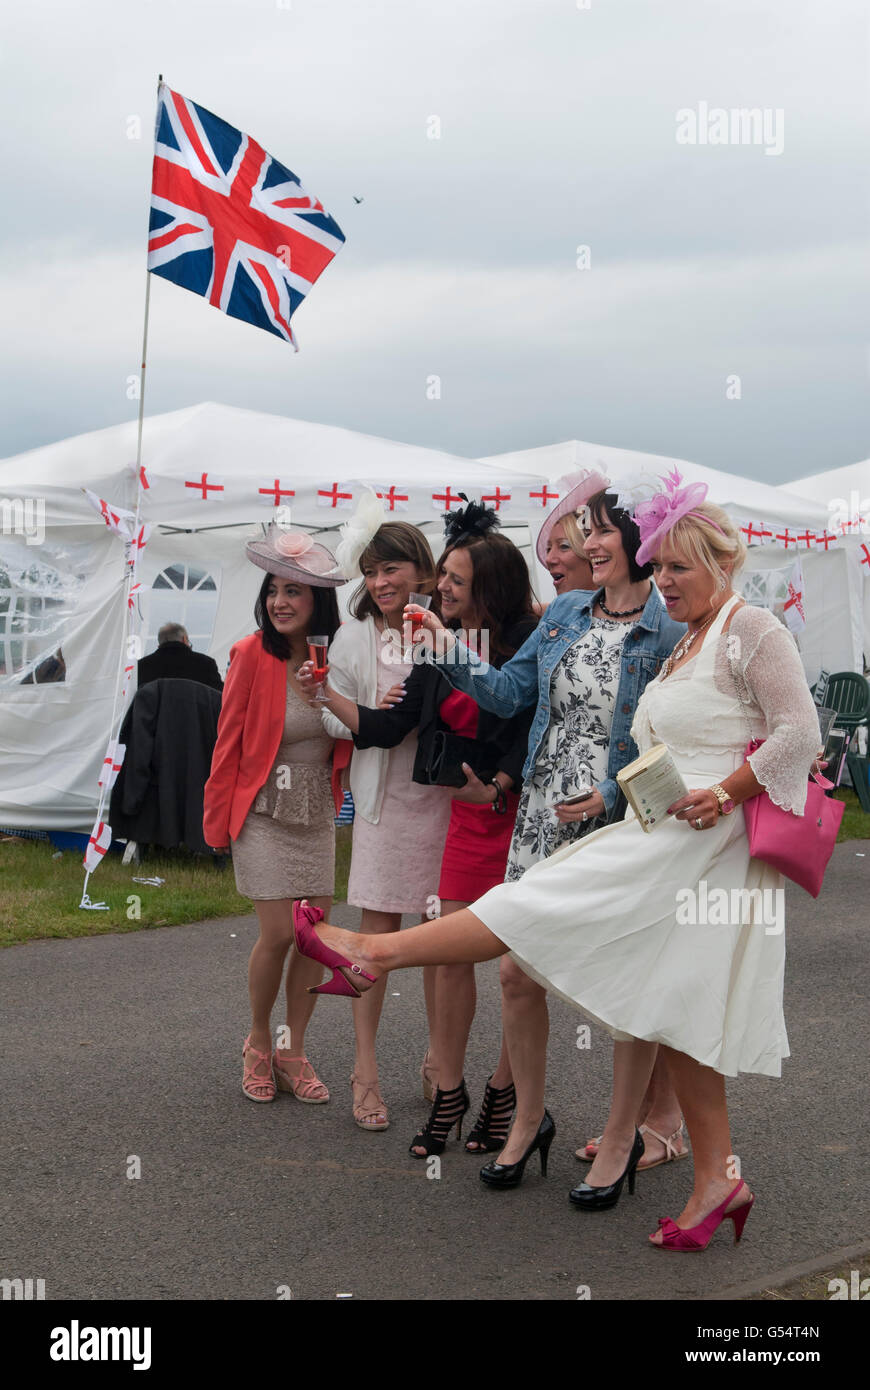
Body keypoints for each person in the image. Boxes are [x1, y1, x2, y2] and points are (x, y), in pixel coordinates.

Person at [291, 473, 821, 1252]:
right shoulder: (677, 635)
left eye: (676, 566)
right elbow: (592, 723)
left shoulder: (746, 630)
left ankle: (374, 951)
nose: (664, 579)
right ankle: (719, 1180)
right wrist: (443, 646)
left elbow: (798, 733)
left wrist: (724, 793)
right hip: (650, 828)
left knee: (545, 928)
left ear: (719, 559)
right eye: (660, 565)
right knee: (671, 1011)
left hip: (697, 846)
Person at [409, 476, 687, 1174]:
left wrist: (611, 793)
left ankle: (623, 1137)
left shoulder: (673, 628)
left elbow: (679, 740)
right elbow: (507, 694)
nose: (582, 543)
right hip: (539, 817)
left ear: (633, 540)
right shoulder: (563, 612)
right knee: (515, 971)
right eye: (581, 531)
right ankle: (528, 1117)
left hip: (618, 823)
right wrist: (445, 644)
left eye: (595, 530)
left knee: (626, 983)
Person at [300, 499, 537, 1158]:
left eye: (451, 580)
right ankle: (406, 1080)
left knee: (494, 957)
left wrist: (501, 785)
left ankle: (483, 1084)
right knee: (421, 944)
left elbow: (527, 715)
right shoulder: (419, 645)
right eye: (372, 572)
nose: (385, 583)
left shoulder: (507, 640)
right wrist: (325, 697)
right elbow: (382, 727)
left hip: (488, 811)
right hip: (431, 807)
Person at [319, 500, 453, 1131]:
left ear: (420, 569)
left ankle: (438, 1060)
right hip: (382, 800)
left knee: (437, 938)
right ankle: (364, 1069)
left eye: (391, 568)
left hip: (442, 801)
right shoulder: (353, 637)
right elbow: (330, 714)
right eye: (371, 573)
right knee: (374, 938)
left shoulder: (450, 624)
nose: (381, 583)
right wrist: (370, 702)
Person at [202, 525, 346, 1106]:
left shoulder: (333, 659)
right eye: (273, 590)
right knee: (280, 931)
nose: (280, 602)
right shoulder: (247, 655)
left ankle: (293, 1049)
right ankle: (258, 1040)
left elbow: (353, 730)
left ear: (318, 603)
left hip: (315, 811)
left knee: (312, 936)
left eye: (295, 591)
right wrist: (216, 825)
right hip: (262, 810)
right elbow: (226, 744)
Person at [138, 623, 223, 692]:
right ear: (184, 639)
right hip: (195, 713)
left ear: (159, 644)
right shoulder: (206, 664)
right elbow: (220, 697)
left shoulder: (142, 666)